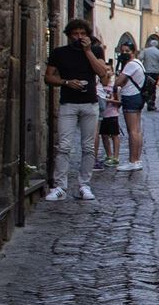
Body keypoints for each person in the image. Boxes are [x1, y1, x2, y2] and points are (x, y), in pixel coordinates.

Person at [45, 19, 110, 201]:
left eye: (83, 34)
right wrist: (66, 82)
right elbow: (48, 77)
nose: (79, 37)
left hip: (90, 103)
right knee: (64, 146)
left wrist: (88, 51)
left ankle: (84, 185)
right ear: (69, 35)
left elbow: (102, 73)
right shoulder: (59, 53)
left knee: (88, 147)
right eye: (75, 34)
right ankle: (60, 186)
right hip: (68, 103)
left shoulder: (95, 50)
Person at [114, 41, 147, 171]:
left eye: (127, 51)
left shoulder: (130, 65)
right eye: (123, 51)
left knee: (132, 130)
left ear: (133, 52)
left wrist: (118, 78)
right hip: (138, 96)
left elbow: (118, 81)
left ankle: (133, 160)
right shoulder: (139, 63)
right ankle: (136, 159)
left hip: (131, 96)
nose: (124, 53)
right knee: (137, 130)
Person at [98, 70, 123, 167]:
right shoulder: (99, 87)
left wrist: (108, 100)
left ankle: (116, 157)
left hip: (112, 114)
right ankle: (109, 155)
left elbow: (119, 102)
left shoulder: (114, 87)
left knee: (114, 135)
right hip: (102, 114)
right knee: (104, 135)